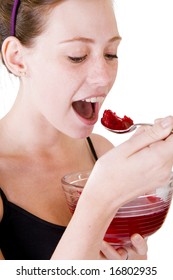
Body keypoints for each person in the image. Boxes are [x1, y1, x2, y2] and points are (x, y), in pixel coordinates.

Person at [0, 0, 173, 260]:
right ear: (17, 58)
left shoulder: (102, 152)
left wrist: (133, 269)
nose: (103, 77)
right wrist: (101, 197)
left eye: (111, 53)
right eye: (77, 56)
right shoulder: (108, 172)